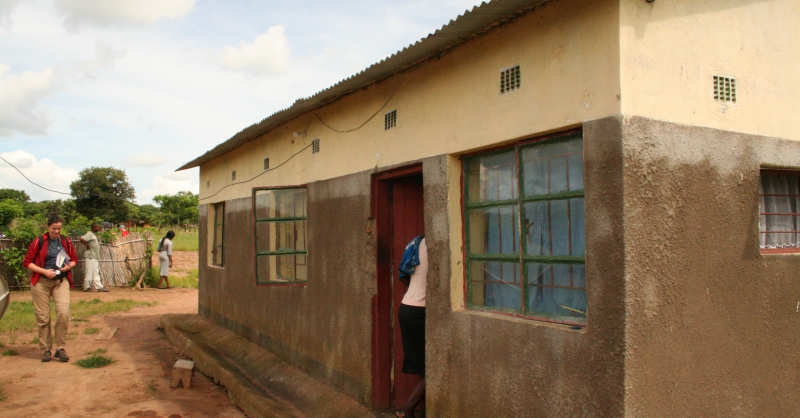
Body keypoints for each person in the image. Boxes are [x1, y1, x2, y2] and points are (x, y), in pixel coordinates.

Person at [22, 214, 77, 363]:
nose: (57, 231)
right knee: (43, 317)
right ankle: (46, 349)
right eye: (54, 229)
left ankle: (60, 348)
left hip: (60, 281)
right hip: (41, 282)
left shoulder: (66, 241)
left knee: (63, 313)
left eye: (59, 228)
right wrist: (44, 271)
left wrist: (68, 267)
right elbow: (27, 262)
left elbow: (74, 259)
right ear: (48, 227)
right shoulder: (38, 242)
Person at [396, 236, 428, 418]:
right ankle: (406, 410)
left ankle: (418, 411)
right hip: (419, 312)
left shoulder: (417, 242)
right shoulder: (437, 245)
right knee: (431, 368)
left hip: (406, 307)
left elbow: (403, 277)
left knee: (423, 366)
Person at [80, 223, 109, 292]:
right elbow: (81, 239)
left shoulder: (93, 235)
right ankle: (87, 287)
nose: (99, 229)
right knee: (89, 272)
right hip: (90, 256)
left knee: (96, 272)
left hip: (94, 256)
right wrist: (87, 245)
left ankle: (99, 287)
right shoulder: (89, 234)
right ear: (94, 227)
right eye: (98, 227)